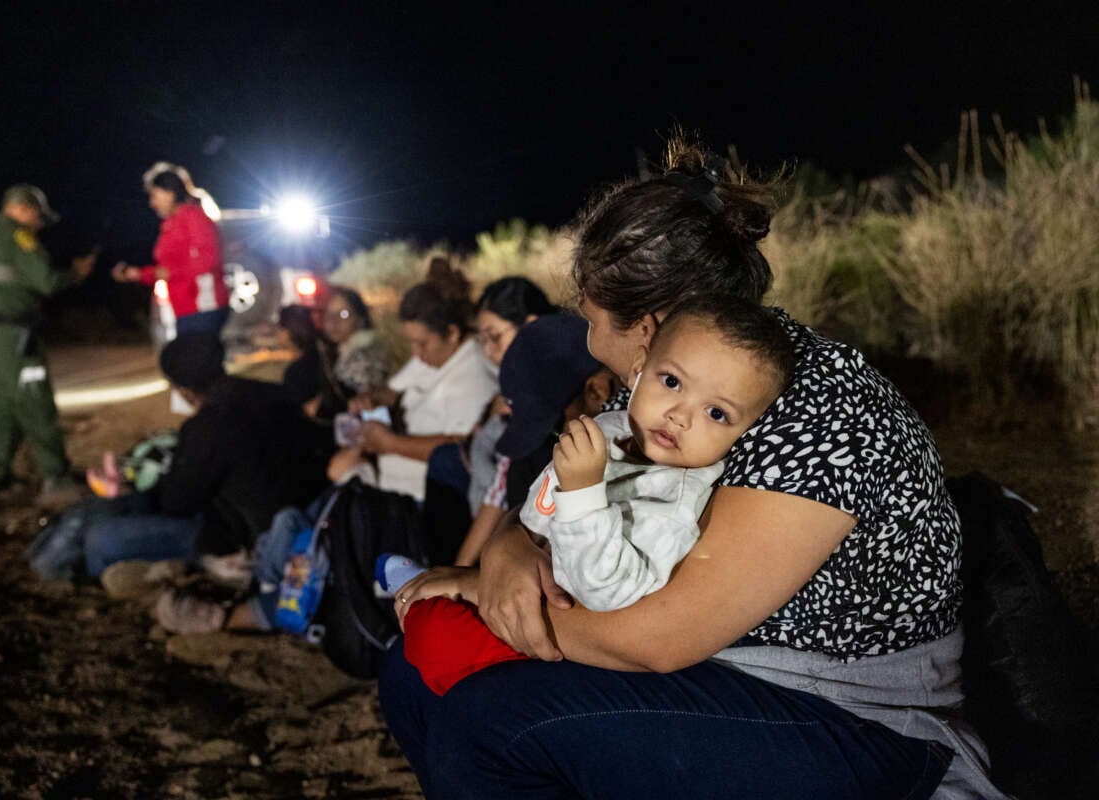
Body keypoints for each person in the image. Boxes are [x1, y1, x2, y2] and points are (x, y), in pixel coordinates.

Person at [378, 140, 1008, 799]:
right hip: (718, 677)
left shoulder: (826, 412)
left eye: (590, 321)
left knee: (493, 725)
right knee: (411, 673)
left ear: (646, 328)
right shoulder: (663, 385)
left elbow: (661, 639)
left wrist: (495, 600)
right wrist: (507, 550)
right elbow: (559, 497)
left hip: (851, 717)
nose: (589, 342)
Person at [383, 297, 794, 695]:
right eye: (671, 382)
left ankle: (418, 590)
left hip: (570, 633)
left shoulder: (674, 502)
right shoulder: (616, 426)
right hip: (534, 580)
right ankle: (419, 583)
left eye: (716, 413)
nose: (680, 415)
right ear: (638, 368)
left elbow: (606, 591)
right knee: (419, 638)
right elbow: (540, 499)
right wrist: (520, 548)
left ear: (743, 434)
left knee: (435, 636)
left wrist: (583, 493)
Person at [83, 332, 333, 582]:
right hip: (305, 517)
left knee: (101, 539)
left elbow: (177, 503)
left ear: (184, 390)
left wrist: (134, 495)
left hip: (247, 540)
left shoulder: (207, 427)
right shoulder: (272, 394)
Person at [0, 184, 94, 497]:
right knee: (37, 401)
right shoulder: (19, 238)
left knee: (4, 405)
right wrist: (76, 273)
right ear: (22, 209)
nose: (37, 225)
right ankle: (55, 475)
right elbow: (46, 281)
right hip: (16, 336)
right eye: (37, 217)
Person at [425, 276, 558, 565]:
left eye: (495, 336)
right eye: (481, 339)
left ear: (531, 325)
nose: (488, 351)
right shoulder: (518, 378)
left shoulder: (542, 384)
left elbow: (499, 489)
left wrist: (457, 572)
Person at [339, 258, 496, 501]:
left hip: (425, 500)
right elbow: (391, 391)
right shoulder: (432, 356)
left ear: (452, 333)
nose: (415, 353)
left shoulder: (474, 377)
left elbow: (462, 450)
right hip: (390, 487)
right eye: (410, 342)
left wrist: (390, 443)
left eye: (421, 343)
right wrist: (369, 399)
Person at [111, 162, 230, 337]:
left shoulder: (194, 216)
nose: (152, 203)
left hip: (204, 306)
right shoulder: (170, 223)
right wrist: (137, 274)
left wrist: (171, 273)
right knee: (191, 361)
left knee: (190, 361)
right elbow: (166, 269)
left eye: (154, 195)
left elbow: (208, 260)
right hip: (184, 308)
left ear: (169, 193)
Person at [323, 285, 391, 400]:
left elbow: (371, 406)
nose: (333, 321)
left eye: (344, 314)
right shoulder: (343, 351)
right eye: (329, 314)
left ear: (360, 320)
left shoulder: (364, 356)